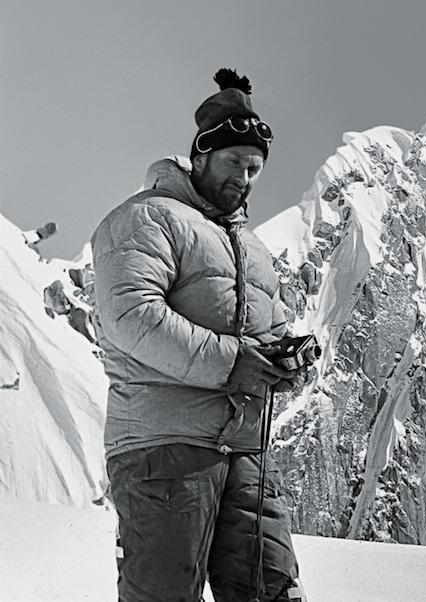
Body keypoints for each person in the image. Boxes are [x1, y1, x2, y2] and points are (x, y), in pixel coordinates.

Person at [92, 68, 307, 602]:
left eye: (255, 168)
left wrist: (288, 363)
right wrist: (233, 362)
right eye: (236, 161)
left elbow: (271, 330)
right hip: (163, 446)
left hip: (243, 448)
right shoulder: (147, 218)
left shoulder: (253, 250)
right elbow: (130, 316)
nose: (246, 177)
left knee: (271, 589)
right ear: (202, 154)